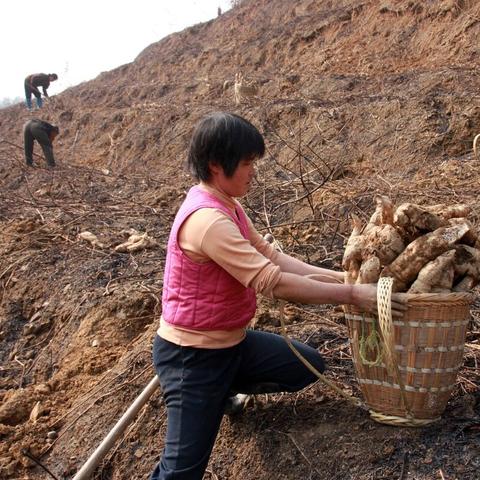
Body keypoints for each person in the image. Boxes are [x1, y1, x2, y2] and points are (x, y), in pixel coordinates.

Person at [150, 112, 406, 480]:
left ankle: (223, 392)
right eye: (247, 163)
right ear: (216, 165)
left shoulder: (228, 205)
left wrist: (341, 275)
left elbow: (272, 256)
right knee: (182, 471)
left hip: (230, 346)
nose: (254, 171)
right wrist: (351, 294)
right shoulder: (208, 221)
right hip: (193, 358)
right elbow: (272, 280)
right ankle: (211, 395)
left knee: (307, 364)